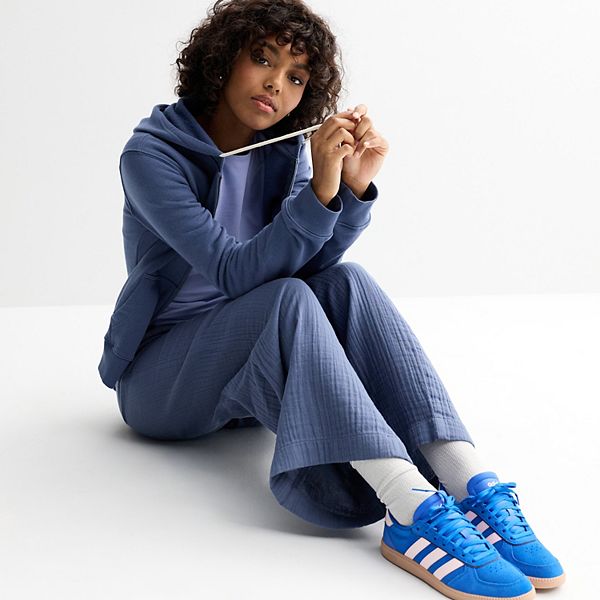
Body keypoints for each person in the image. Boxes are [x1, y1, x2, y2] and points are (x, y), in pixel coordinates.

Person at [99, 1, 565, 598]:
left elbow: (314, 267)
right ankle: (409, 504)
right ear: (222, 61)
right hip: (161, 382)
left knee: (348, 281)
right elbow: (235, 272)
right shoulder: (151, 155)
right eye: (262, 58)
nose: (276, 83)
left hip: (249, 367)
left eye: (296, 76)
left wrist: (351, 188)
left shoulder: (278, 151)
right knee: (285, 299)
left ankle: (465, 477)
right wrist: (320, 191)